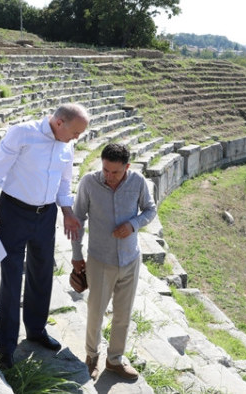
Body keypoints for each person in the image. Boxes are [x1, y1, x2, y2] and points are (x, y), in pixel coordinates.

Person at [0, 103, 90, 369]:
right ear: (59, 123)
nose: (77, 138)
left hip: (46, 215)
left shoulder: (67, 144)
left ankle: (36, 330)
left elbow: (64, 183)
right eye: (75, 132)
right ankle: (6, 347)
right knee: (11, 277)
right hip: (15, 212)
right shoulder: (23, 133)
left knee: (42, 273)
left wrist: (67, 212)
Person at [71, 143, 157, 380]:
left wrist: (133, 225)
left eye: (115, 172)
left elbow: (150, 210)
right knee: (95, 312)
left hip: (130, 258)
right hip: (100, 259)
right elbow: (77, 219)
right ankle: (91, 357)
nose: (108, 176)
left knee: (123, 314)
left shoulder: (138, 182)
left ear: (127, 167)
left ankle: (115, 360)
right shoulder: (89, 182)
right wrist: (77, 256)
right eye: (105, 170)